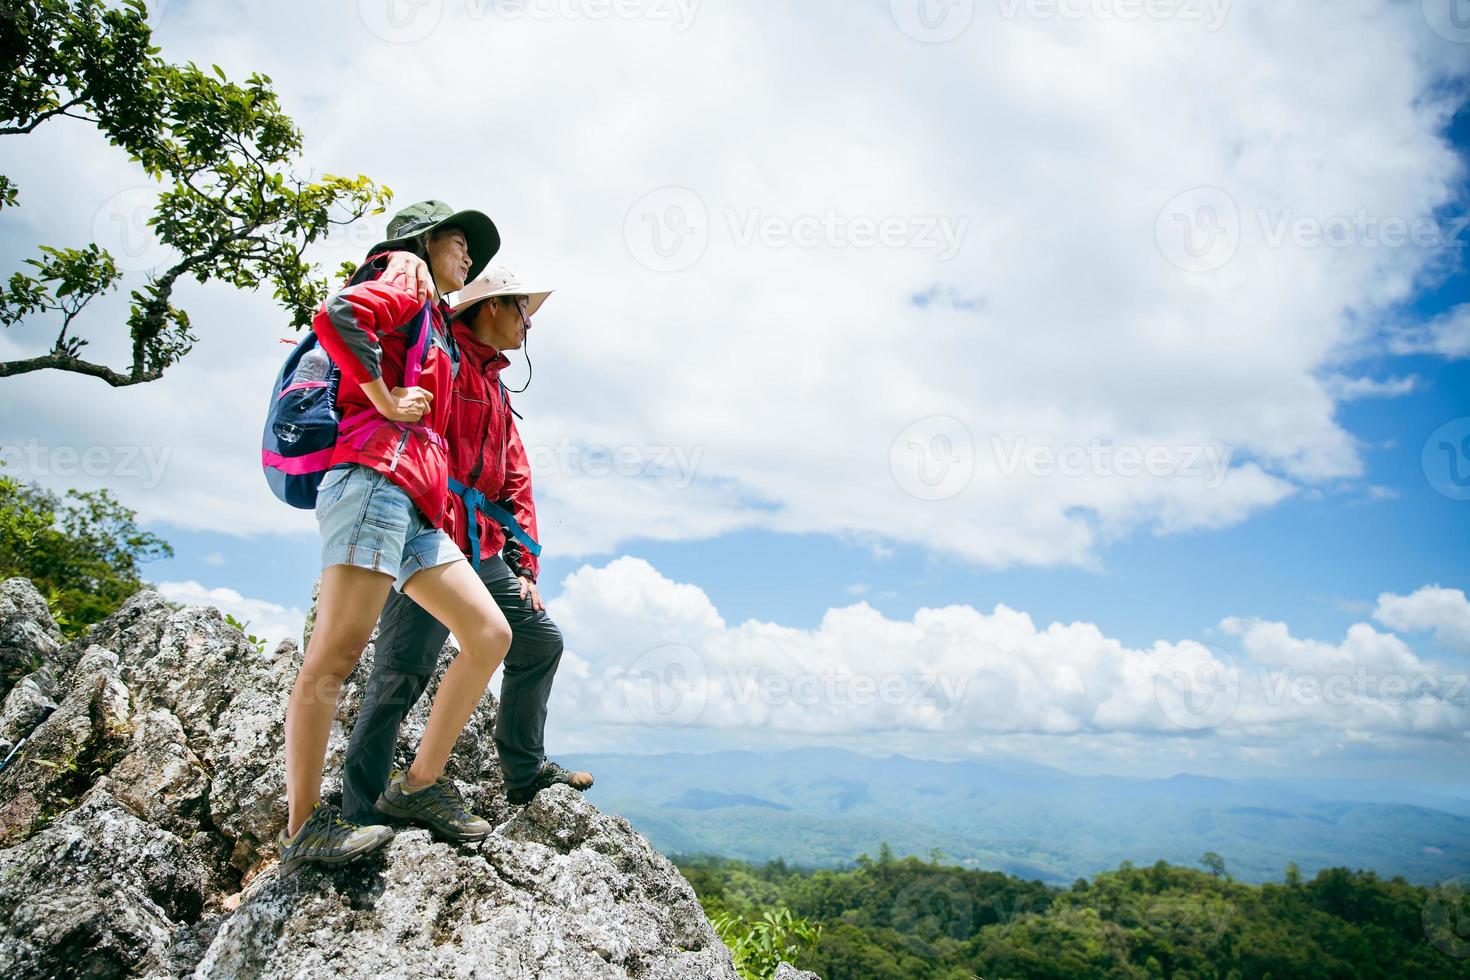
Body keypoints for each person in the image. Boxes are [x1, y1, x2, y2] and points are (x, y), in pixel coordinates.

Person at [278, 201, 512, 871]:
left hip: (412, 500)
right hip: (373, 479)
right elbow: (339, 315)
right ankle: (303, 827)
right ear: (427, 241)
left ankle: (418, 785)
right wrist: (382, 396)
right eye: (461, 245)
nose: (468, 260)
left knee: (489, 634)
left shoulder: (434, 315)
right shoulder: (405, 269)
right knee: (336, 655)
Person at [340, 264, 593, 830]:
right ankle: (359, 813)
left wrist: (523, 565)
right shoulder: (439, 355)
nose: (529, 322)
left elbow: (515, 477)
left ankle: (524, 775)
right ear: (492, 306)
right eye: (521, 308)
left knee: (538, 642)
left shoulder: (498, 389)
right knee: (403, 670)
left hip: (482, 550)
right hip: (429, 537)